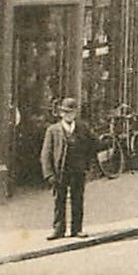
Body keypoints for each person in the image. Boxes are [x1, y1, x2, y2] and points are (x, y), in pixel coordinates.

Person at [40, 98, 92, 240]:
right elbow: (46, 154)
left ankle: (77, 229)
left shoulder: (83, 128)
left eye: (72, 112)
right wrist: (49, 174)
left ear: (75, 113)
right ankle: (59, 229)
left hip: (78, 171)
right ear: (61, 113)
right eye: (66, 112)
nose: (69, 115)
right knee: (59, 200)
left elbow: (92, 146)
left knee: (77, 199)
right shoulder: (53, 130)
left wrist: (87, 165)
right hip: (60, 171)